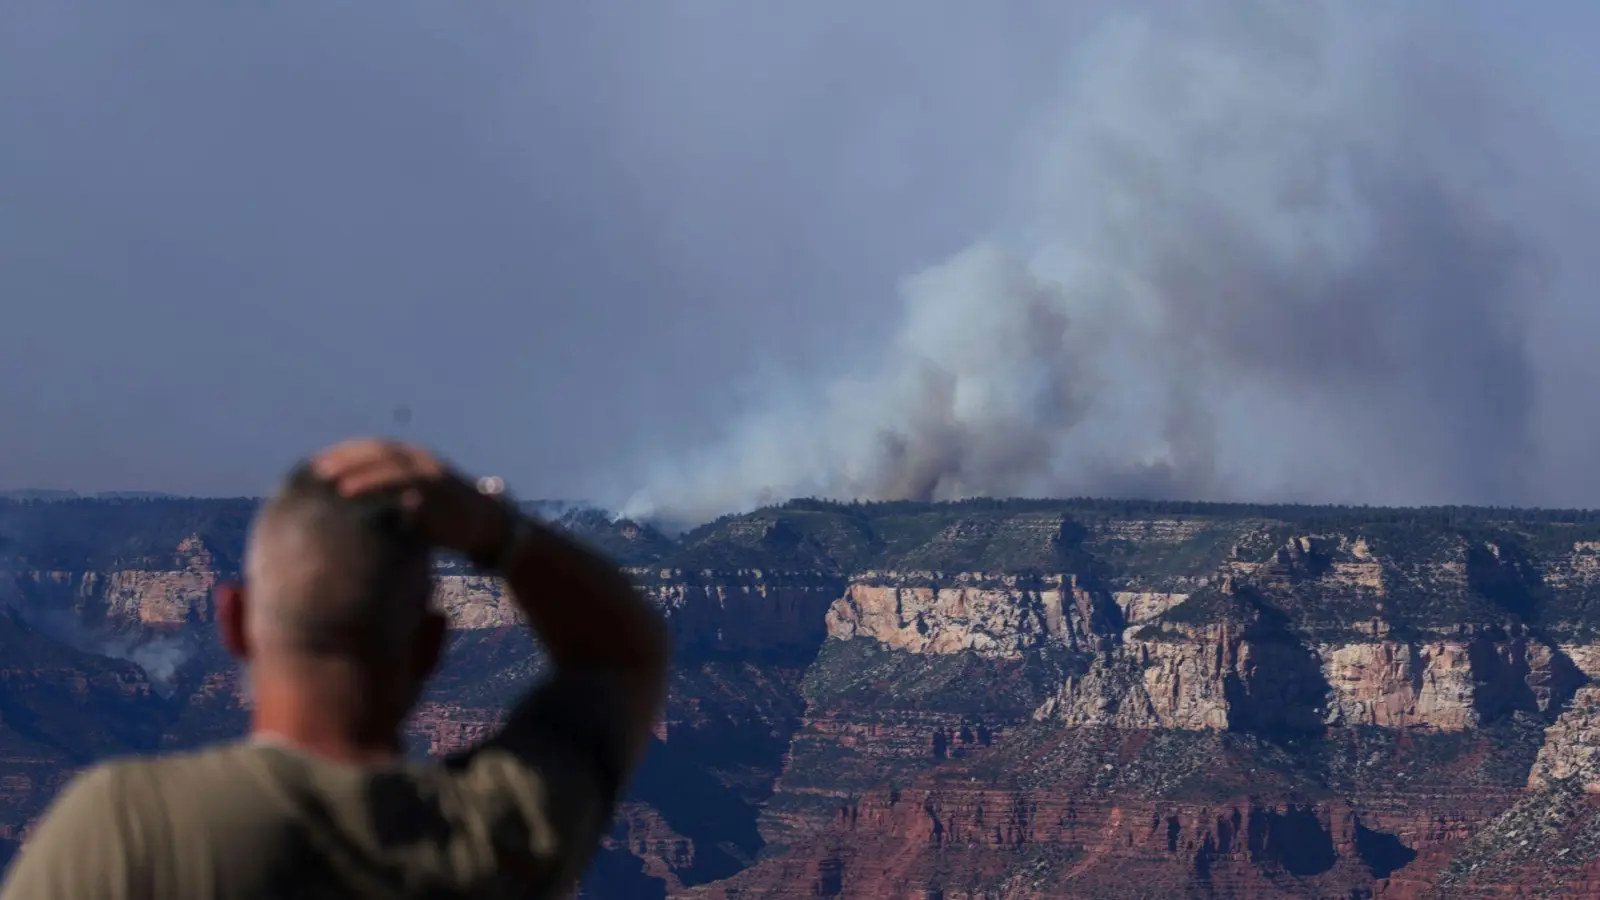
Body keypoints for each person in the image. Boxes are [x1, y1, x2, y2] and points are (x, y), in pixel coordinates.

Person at [0, 438, 672, 899]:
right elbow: (623, 654)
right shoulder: (494, 833)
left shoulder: (123, 825)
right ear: (433, 646)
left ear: (232, 619)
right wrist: (495, 529)